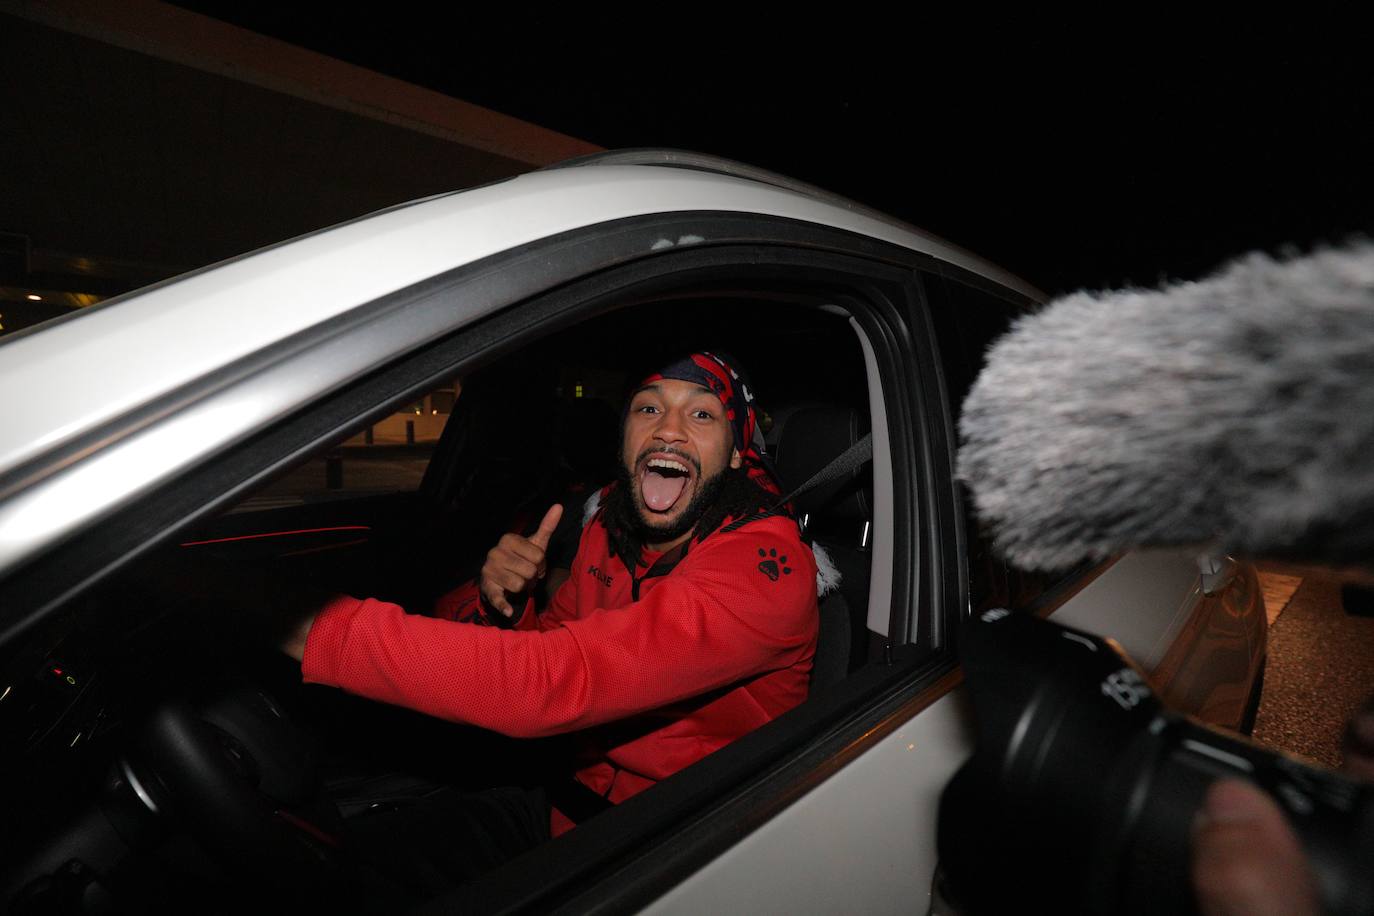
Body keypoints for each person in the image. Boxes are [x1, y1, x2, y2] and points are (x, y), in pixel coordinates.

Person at [282, 351, 819, 845]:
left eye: (702, 415)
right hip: (560, 806)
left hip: (676, 844)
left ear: (734, 456)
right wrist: (511, 604)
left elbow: (546, 682)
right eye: (648, 408)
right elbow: (552, 642)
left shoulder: (765, 566)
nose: (669, 431)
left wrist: (308, 625)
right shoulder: (608, 525)